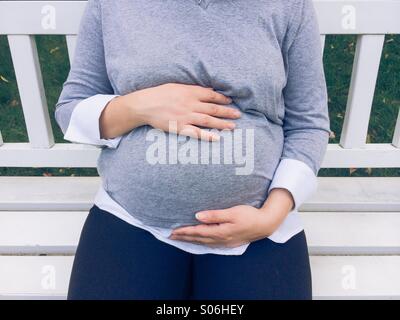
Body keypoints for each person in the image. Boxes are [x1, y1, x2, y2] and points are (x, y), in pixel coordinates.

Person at [55, 0, 331, 300]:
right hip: (131, 216)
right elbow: (71, 109)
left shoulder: (289, 6)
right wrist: (139, 107)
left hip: (256, 226)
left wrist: (271, 215)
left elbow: (309, 124)